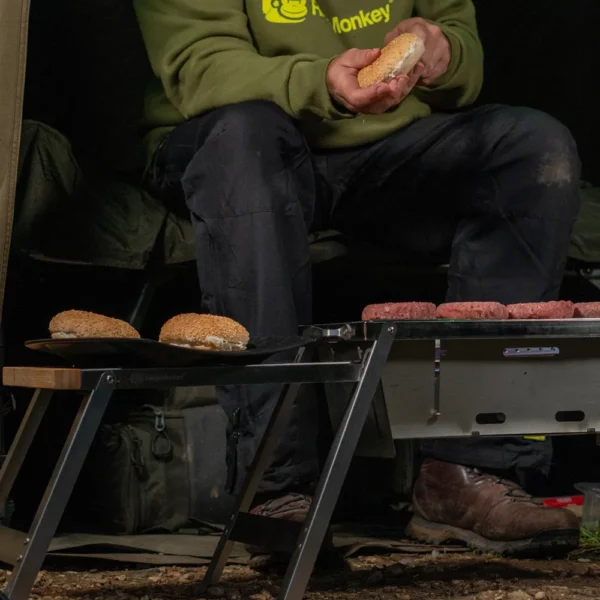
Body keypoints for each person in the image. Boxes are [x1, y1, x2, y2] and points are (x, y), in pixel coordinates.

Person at [134, 0, 582, 556]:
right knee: (244, 139)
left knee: (533, 145)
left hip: (382, 143)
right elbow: (202, 66)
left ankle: (466, 474)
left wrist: (442, 51)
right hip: (230, 133)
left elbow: (462, 51)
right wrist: (323, 81)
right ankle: (273, 489)